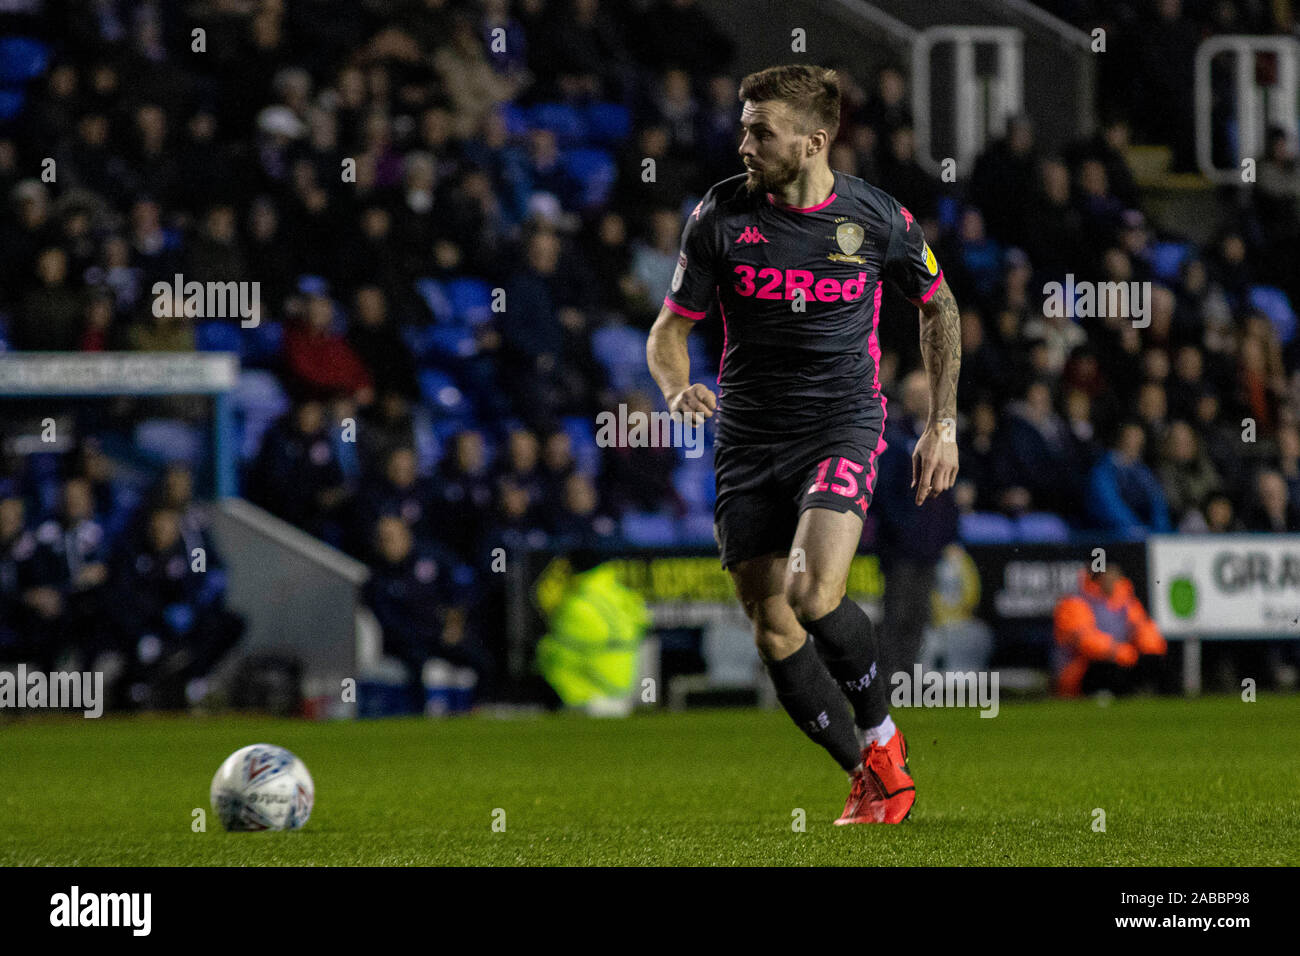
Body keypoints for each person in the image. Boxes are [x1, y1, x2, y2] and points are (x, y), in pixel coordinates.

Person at [646, 65, 961, 825]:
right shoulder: (719, 215)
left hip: (841, 424)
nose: (743, 141)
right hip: (748, 438)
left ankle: (884, 738)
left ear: (815, 141)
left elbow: (939, 307)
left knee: (812, 593)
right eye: (744, 125)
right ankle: (867, 775)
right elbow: (669, 330)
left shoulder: (877, 218)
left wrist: (941, 423)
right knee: (770, 623)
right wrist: (674, 387)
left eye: (761, 130)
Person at [1053, 565, 1167, 698]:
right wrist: (1120, 652)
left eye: (1113, 574)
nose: (1109, 578)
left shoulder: (1125, 601)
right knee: (1105, 667)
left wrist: (1150, 651)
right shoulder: (1075, 601)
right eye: (1104, 574)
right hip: (1080, 669)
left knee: (1153, 660)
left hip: (1122, 663)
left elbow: (1143, 628)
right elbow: (1086, 642)